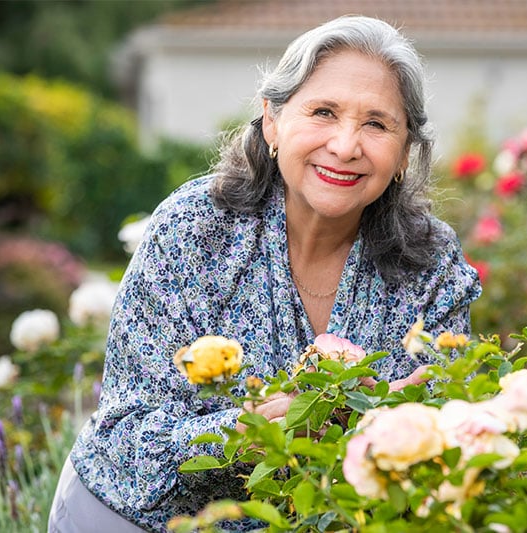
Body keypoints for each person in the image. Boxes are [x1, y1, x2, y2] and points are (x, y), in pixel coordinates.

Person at [49, 14, 481, 532]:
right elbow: (129, 437)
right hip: (138, 517)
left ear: (405, 150)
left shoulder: (430, 260)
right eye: (323, 112)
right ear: (272, 122)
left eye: (376, 123)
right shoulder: (194, 231)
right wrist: (256, 429)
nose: (346, 146)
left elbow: (446, 434)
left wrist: (385, 413)